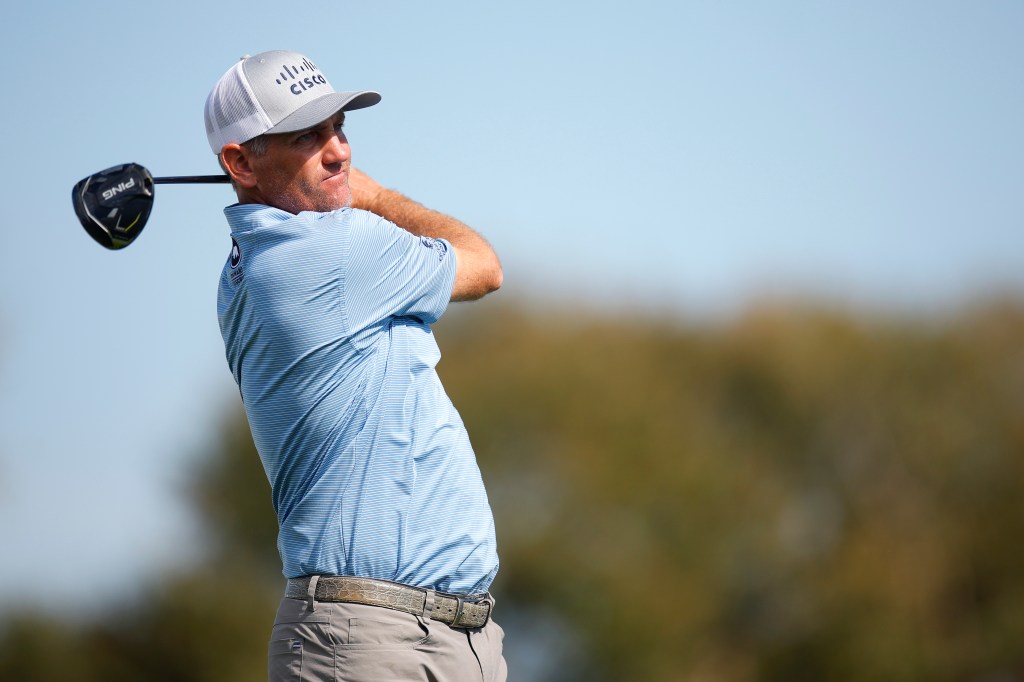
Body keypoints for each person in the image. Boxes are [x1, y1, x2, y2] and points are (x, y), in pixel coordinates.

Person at [205, 50, 506, 681]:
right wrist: (375, 195)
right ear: (239, 163)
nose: (339, 151)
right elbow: (482, 265)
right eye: (306, 137)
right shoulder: (337, 249)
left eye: (339, 127)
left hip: (448, 638)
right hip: (369, 643)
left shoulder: (247, 268)